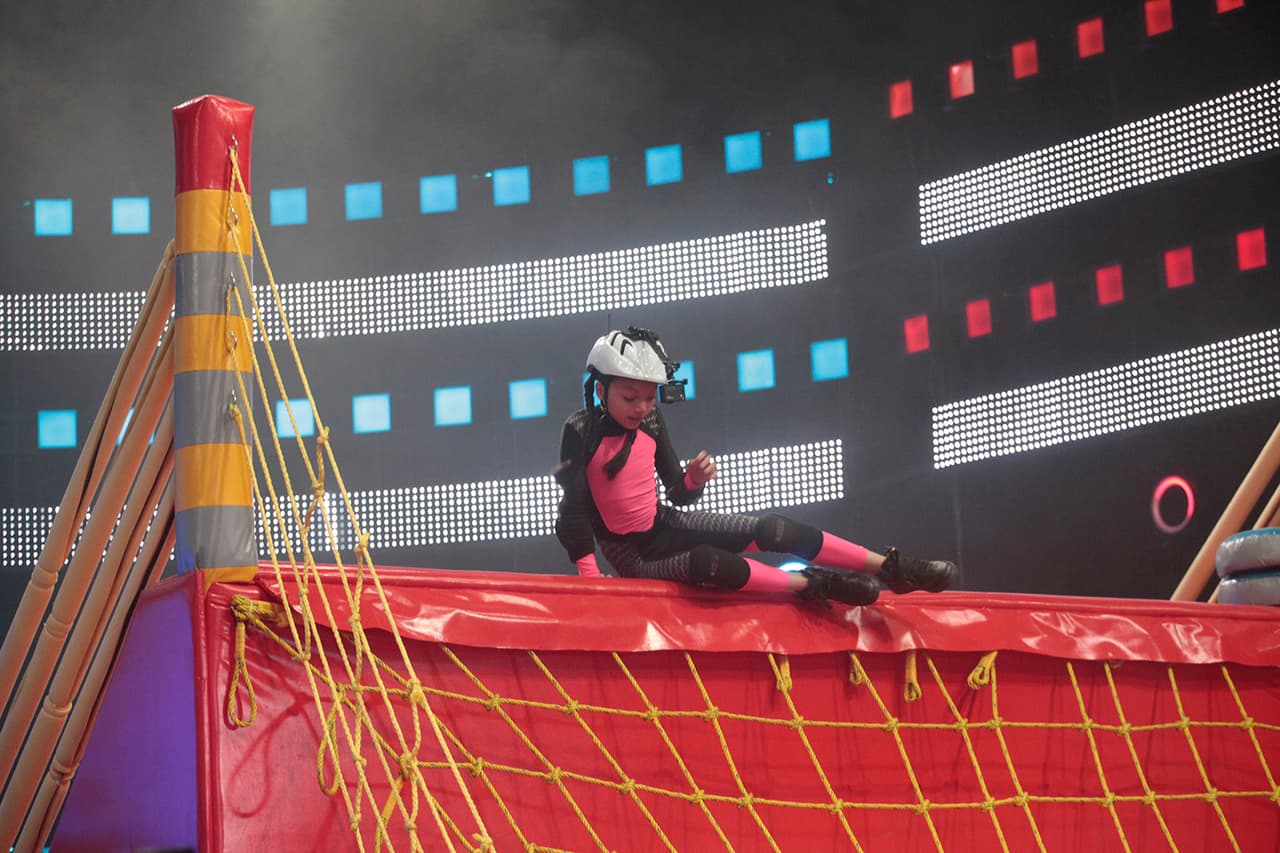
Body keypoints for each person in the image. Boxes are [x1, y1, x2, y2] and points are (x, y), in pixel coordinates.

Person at [553, 327, 957, 607]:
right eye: (630, 397)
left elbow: (676, 491)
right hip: (632, 558)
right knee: (707, 562)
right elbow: (573, 512)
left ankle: (891, 567)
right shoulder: (581, 430)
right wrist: (590, 579)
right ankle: (811, 584)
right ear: (601, 389)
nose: (642, 408)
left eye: (649, 397)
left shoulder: (652, 422)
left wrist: (692, 479)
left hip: (666, 524)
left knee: (771, 529)